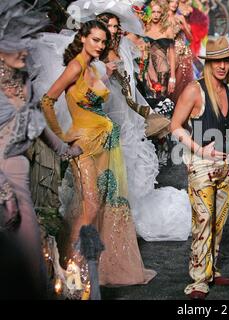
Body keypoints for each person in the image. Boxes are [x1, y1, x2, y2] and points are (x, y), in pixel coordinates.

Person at [40, 20, 155, 288]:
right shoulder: (76, 66)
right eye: (95, 40)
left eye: (103, 41)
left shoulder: (92, 67)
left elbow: (93, 100)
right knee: (90, 206)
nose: (101, 45)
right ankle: (72, 271)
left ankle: (92, 269)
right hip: (85, 147)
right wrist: (63, 140)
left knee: (102, 206)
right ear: (82, 38)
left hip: (106, 145)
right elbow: (47, 100)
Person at [0, 0, 83, 297]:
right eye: (19, 43)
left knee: (29, 248)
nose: (27, 50)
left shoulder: (21, 79)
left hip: (19, 178)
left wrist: (61, 147)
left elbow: (36, 116)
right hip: (7, 182)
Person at [91, 6, 191, 242]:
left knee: (126, 162)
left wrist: (144, 114)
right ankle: (105, 216)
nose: (113, 30)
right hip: (102, 111)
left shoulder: (121, 49)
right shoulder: (93, 53)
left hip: (122, 112)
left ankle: (123, 215)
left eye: (116, 26)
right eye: (109, 25)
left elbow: (130, 90)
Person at [171, 37, 229, 300]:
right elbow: (175, 126)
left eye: (227, 60)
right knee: (203, 221)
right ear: (208, 63)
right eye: (217, 61)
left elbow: (226, 126)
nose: (222, 66)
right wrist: (200, 150)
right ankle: (199, 279)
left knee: (218, 222)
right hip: (201, 165)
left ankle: (211, 269)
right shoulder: (194, 90)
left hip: (225, 165)